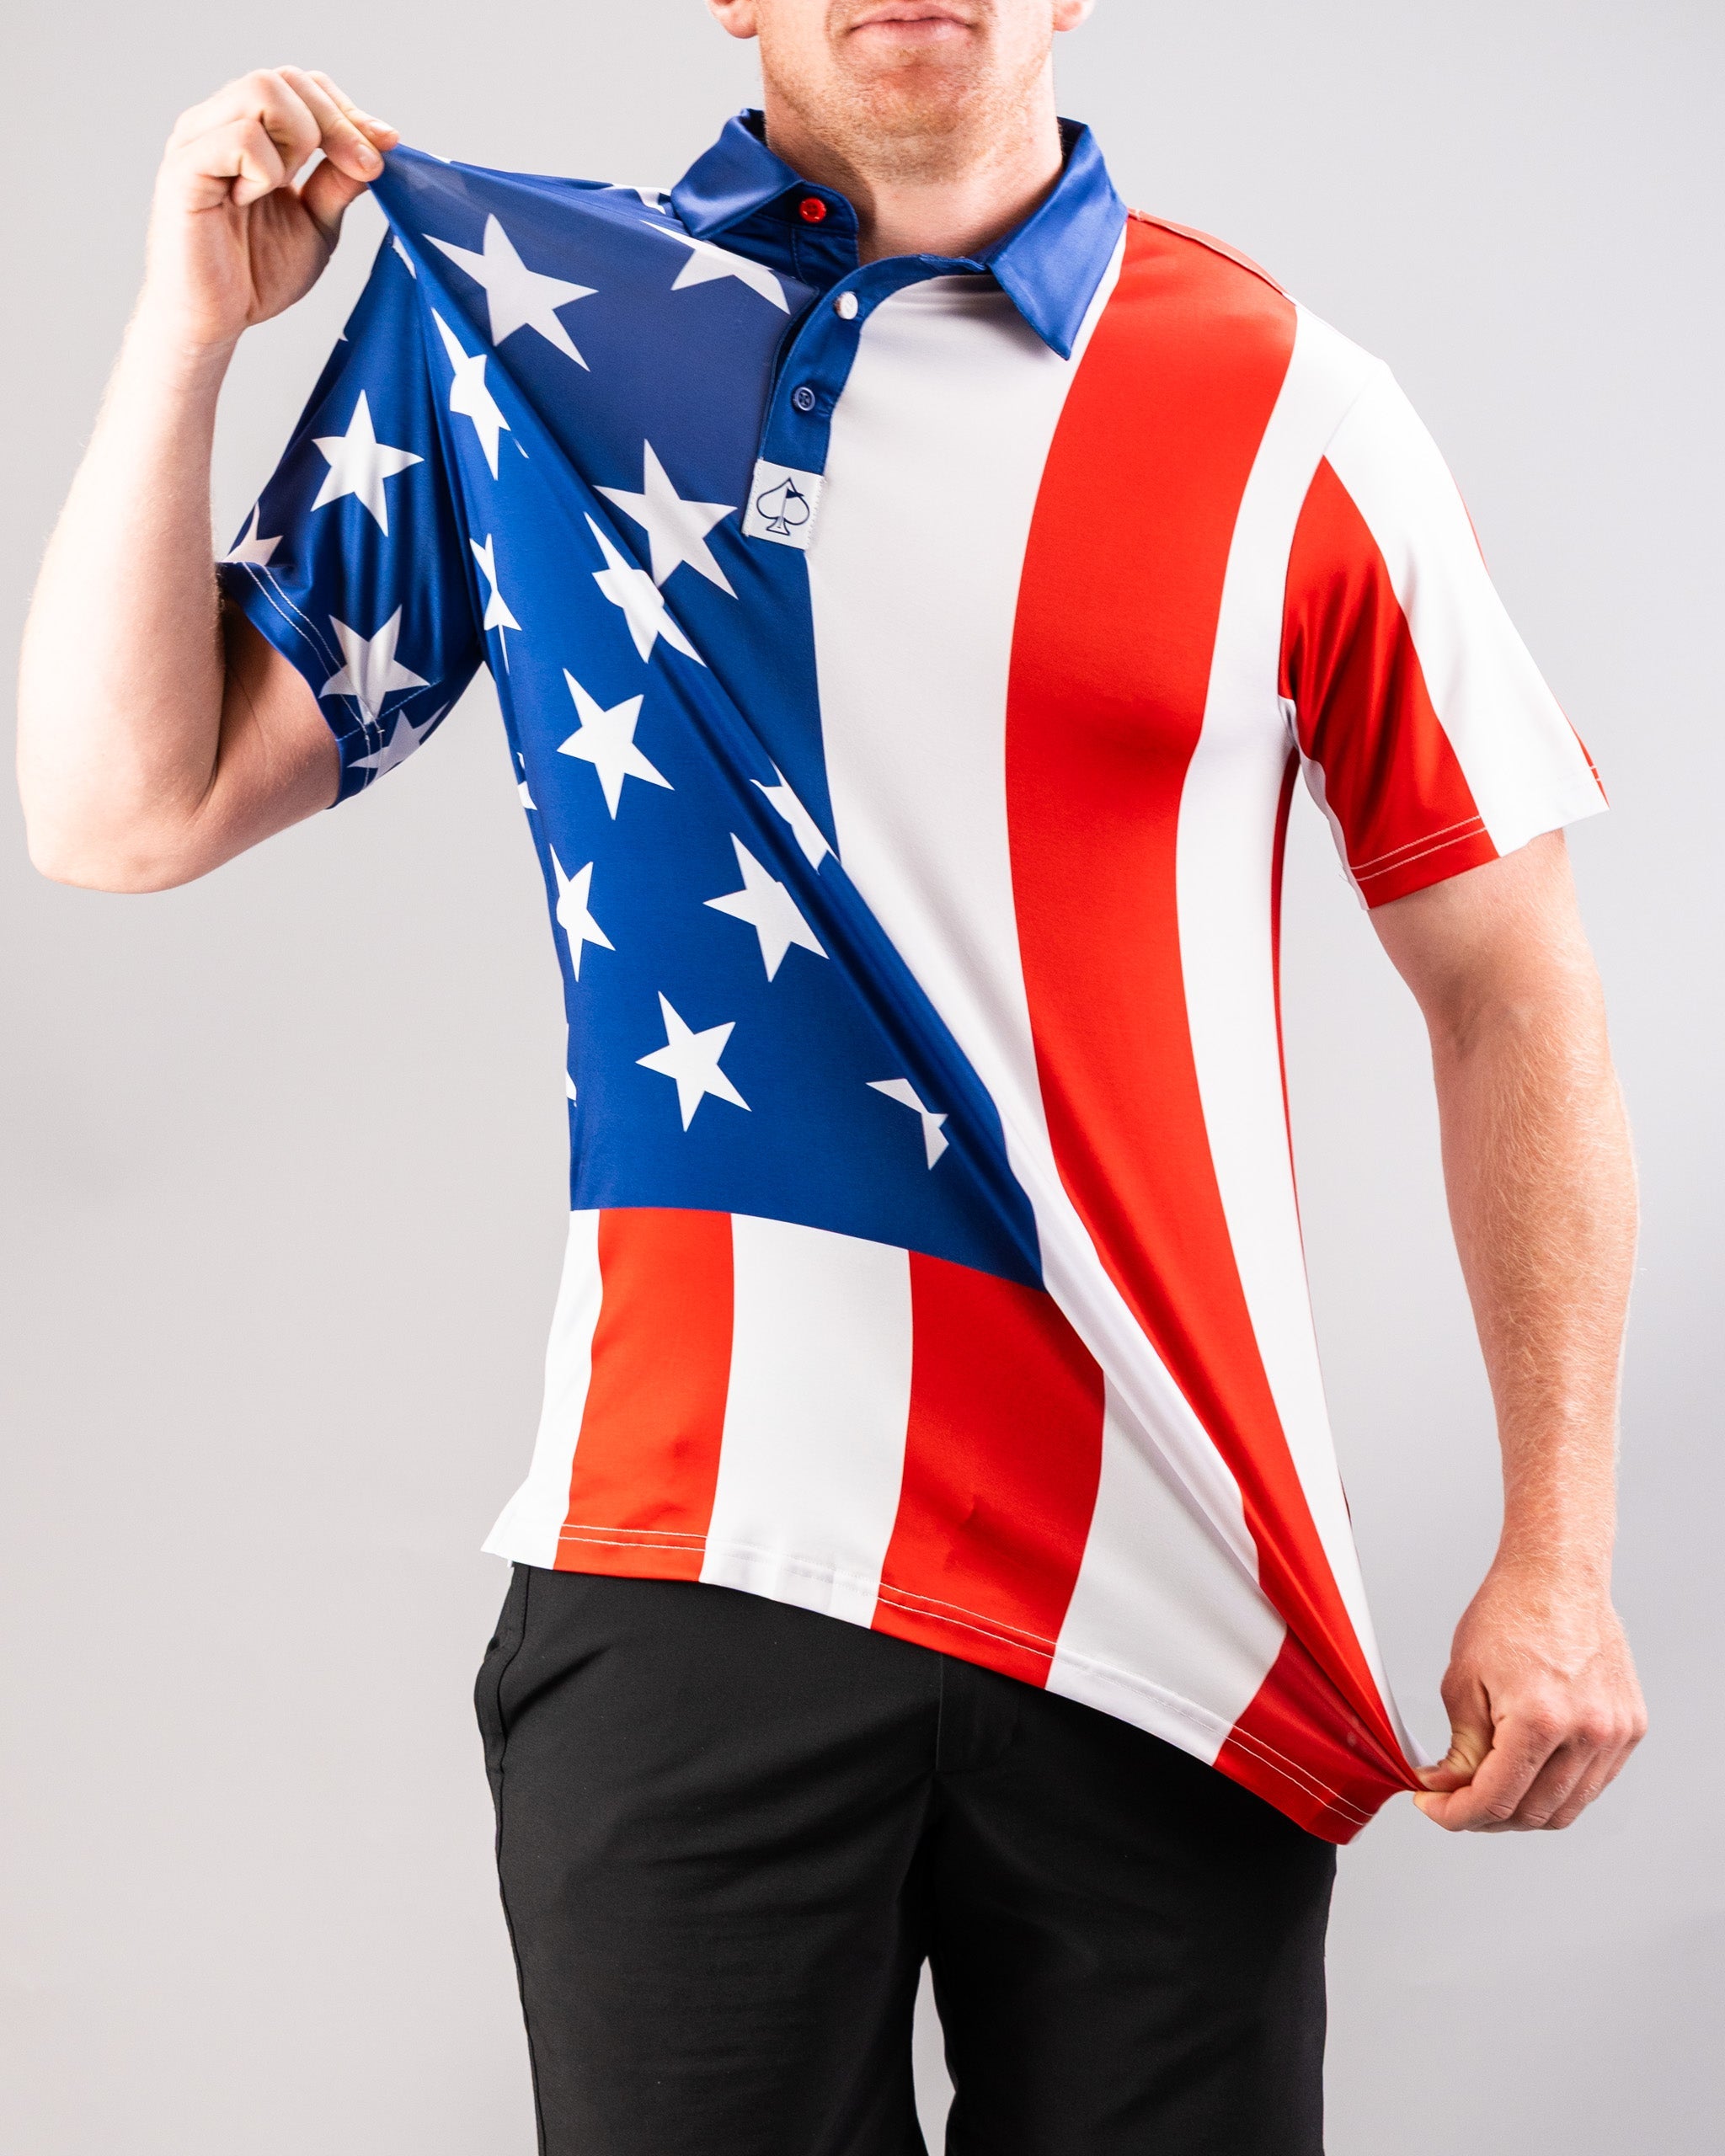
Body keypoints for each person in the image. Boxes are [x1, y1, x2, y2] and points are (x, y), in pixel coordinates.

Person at [18, 4, 1647, 2151]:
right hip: (689, 1563)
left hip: (1172, 1602)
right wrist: (183, 335)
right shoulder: (515, 324)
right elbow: (124, 808)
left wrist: (1559, 1546)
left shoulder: (1296, 407)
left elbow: (1510, 984)